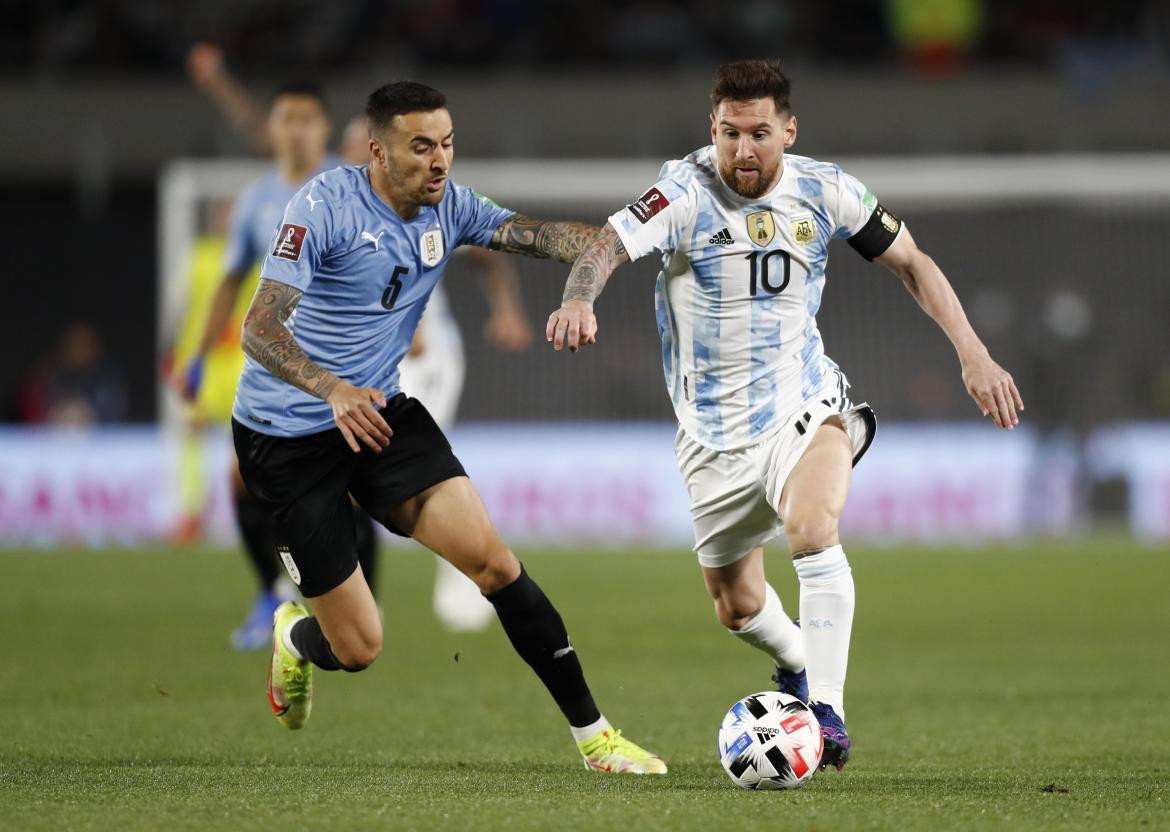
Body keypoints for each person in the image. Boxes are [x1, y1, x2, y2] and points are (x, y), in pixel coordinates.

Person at [545, 59, 1024, 771]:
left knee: (811, 527)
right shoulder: (683, 192)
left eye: (760, 133)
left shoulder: (826, 190)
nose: (743, 150)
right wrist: (581, 296)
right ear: (711, 128)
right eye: (730, 133)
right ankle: (800, 659)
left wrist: (973, 354)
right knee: (736, 607)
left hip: (804, 404)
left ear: (789, 131)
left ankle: (826, 713)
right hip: (710, 438)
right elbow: (606, 246)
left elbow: (914, 263)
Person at [232, 81, 665, 774]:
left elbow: (545, 236)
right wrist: (332, 388)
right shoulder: (323, 207)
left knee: (495, 563)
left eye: (448, 145)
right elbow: (258, 326)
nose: (440, 162)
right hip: (286, 438)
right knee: (359, 648)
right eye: (422, 147)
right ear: (378, 151)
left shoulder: (451, 208)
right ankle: (297, 637)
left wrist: (634, 242)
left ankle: (597, 739)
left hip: (379, 415)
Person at [173, 78, 381, 650]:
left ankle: (361, 607)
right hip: (277, 368)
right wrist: (195, 356)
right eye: (284, 118)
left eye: (306, 118)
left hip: (346, 364)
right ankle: (270, 589)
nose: (295, 129)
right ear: (272, 129)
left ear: (321, 127)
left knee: (354, 488)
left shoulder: (355, 187)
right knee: (239, 479)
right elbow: (230, 278)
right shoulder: (255, 201)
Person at [340, 115, 532, 632]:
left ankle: (466, 588)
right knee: (359, 480)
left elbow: (488, 253)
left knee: (421, 475)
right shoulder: (335, 211)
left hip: (427, 359)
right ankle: (362, 604)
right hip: (367, 366)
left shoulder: (428, 202)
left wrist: (507, 309)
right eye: (357, 147)